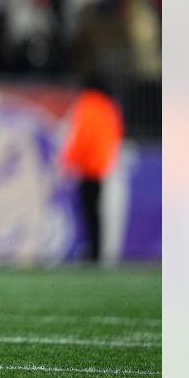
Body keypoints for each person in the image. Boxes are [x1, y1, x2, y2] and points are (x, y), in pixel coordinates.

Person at [60, 81, 124, 262]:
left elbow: (82, 136)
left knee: (89, 213)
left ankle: (94, 252)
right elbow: (116, 133)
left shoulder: (87, 105)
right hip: (101, 166)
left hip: (87, 167)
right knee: (96, 212)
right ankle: (97, 250)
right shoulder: (108, 106)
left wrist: (70, 159)